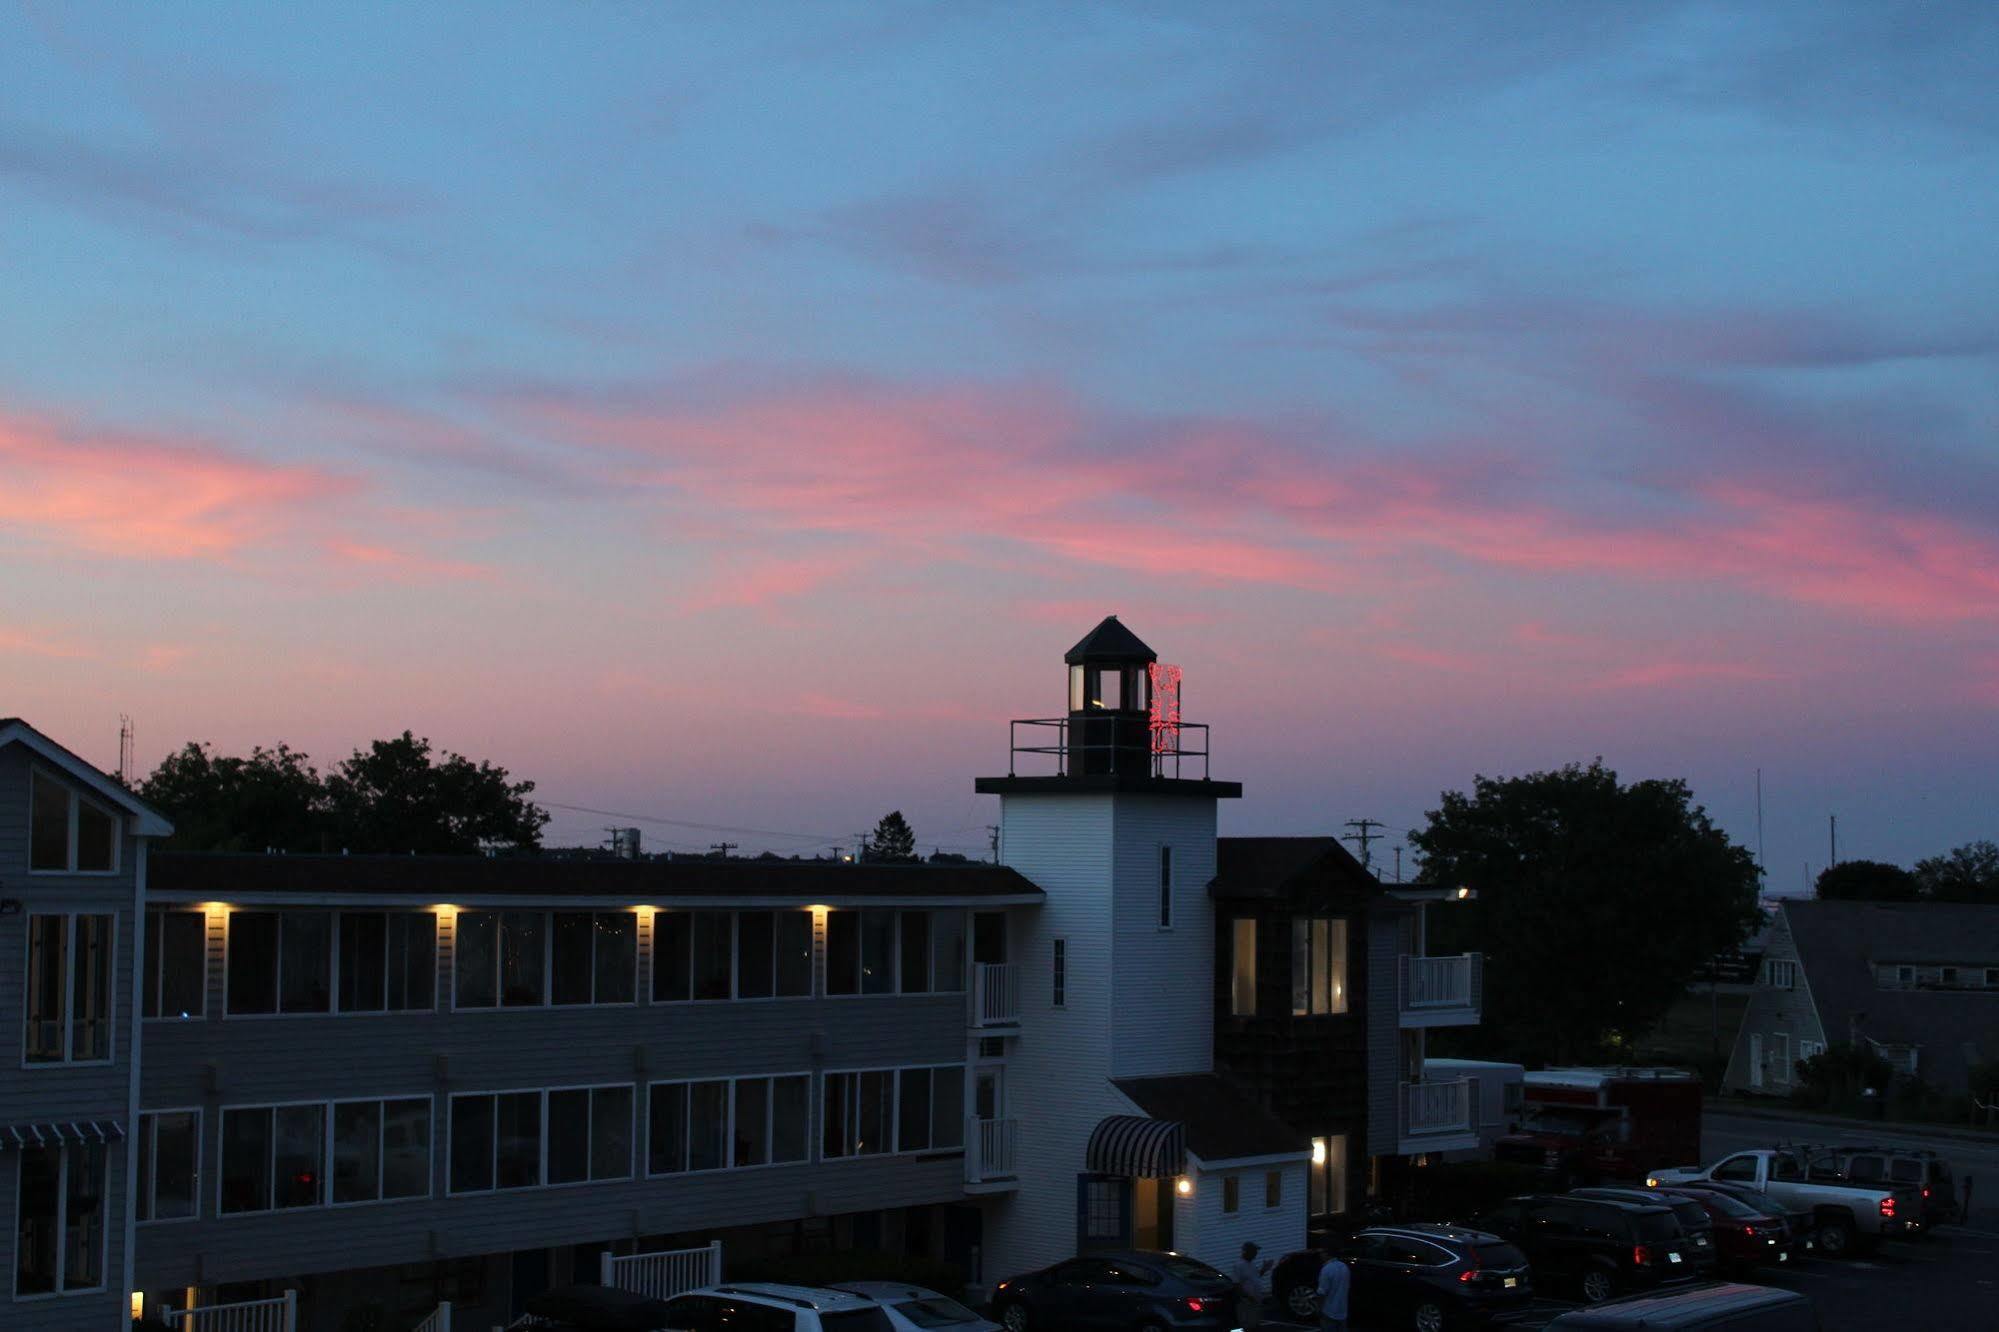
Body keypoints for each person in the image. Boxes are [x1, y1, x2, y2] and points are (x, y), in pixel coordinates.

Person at [1230, 1240, 1272, 1329]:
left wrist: (1264, 1269)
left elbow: (1255, 1277)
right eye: (1254, 1251)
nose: (1256, 1253)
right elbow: (1236, 1284)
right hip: (1246, 1302)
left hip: (1255, 1300)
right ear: (1247, 1252)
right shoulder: (1239, 1266)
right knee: (1247, 1324)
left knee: (1255, 1323)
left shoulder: (1252, 1264)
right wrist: (1247, 1297)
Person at [1316, 1247, 1350, 1332]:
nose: (1320, 1255)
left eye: (1322, 1252)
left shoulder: (1326, 1269)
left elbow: (1322, 1292)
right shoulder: (1344, 1267)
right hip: (1342, 1311)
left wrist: (1319, 1308)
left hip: (1328, 1311)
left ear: (1327, 1254)